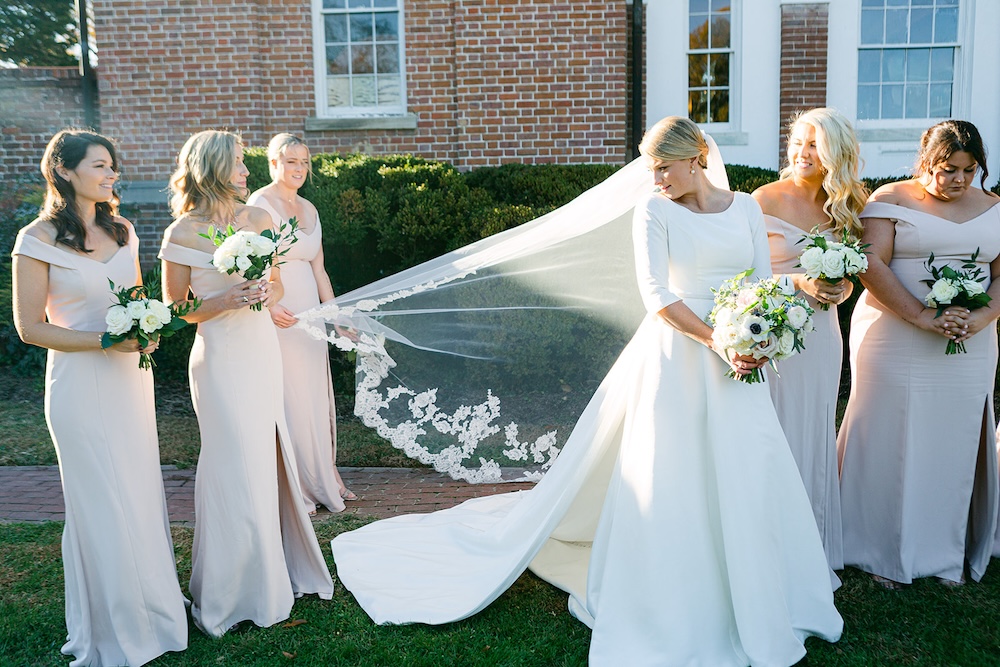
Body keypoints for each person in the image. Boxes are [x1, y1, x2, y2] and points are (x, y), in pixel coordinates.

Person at [324, 117, 842, 665]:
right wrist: (719, 340)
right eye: (650, 168)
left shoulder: (745, 210)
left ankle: (757, 587)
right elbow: (657, 294)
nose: (656, 178)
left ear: (697, 158)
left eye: (663, 166)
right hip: (680, 356)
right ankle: (673, 591)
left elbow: (760, 282)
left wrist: (766, 329)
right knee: (674, 474)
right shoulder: (655, 210)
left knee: (746, 468)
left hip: (742, 361)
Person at [11, 129, 187, 665]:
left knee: (137, 491)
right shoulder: (35, 239)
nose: (112, 174)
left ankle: (156, 612)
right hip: (78, 385)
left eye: (113, 166)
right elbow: (29, 328)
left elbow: (134, 298)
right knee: (100, 501)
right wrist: (106, 340)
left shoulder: (125, 230)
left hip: (130, 378)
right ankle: (113, 625)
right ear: (64, 171)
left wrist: (146, 326)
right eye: (100, 165)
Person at [158, 130, 334, 636]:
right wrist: (224, 300)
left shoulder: (259, 220)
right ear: (212, 168)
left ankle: (270, 577)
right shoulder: (182, 232)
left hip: (261, 353)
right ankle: (227, 588)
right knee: (229, 462)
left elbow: (277, 281)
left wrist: (265, 289)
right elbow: (176, 310)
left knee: (263, 458)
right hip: (219, 358)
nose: (245, 172)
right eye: (237, 163)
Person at [838, 119, 1000, 589]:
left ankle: (942, 550)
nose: (959, 180)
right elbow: (870, 266)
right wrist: (921, 316)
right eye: (948, 169)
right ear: (926, 162)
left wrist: (981, 316)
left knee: (953, 436)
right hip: (895, 333)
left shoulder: (993, 208)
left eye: (969, 171)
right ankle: (875, 547)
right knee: (891, 434)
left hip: (970, 341)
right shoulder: (890, 200)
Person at [752, 108, 867, 570]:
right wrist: (797, 283)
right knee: (773, 429)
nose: (803, 152)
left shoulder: (846, 205)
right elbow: (744, 278)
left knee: (813, 429)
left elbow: (853, 270)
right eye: (798, 141)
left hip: (821, 334)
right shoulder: (762, 199)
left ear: (834, 154)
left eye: (815, 144)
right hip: (775, 329)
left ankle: (810, 548)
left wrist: (844, 286)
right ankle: (767, 541)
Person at [246, 133, 355, 513]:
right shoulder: (259, 203)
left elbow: (319, 269)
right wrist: (267, 307)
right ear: (273, 163)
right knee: (290, 397)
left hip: (311, 317)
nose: (298, 169)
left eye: (304, 162)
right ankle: (297, 487)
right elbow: (251, 264)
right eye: (290, 161)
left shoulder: (310, 208)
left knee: (313, 396)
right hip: (280, 313)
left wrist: (335, 314)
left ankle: (325, 477)